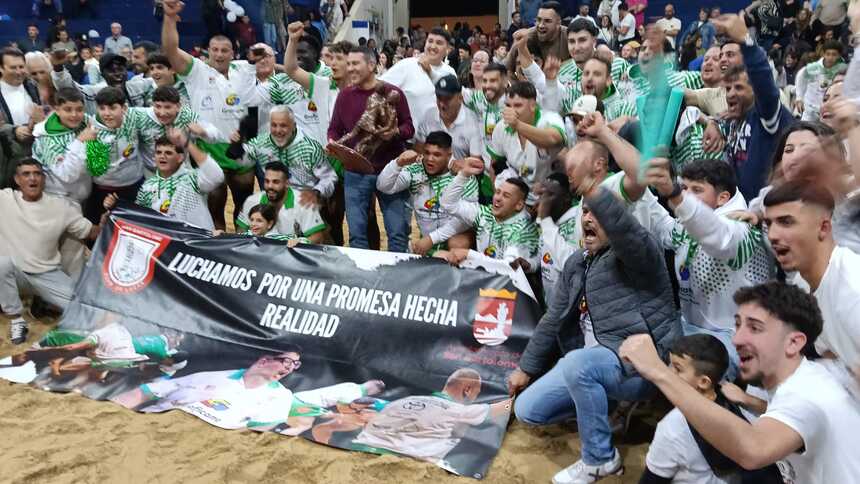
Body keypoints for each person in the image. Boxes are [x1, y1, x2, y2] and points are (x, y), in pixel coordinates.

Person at [507, 175, 681, 484]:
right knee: (528, 410)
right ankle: (610, 406)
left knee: (579, 366)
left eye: (597, 213)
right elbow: (553, 318)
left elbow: (628, 233)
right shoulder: (577, 262)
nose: (589, 218)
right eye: (585, 211)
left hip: (642, 366)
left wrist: (593, 189)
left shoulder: (640, 253)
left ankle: (600, 459)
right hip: (592, 364)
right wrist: (525, 367)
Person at [620, 281, 860, 484]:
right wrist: (748, 400)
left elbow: (753, 450)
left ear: (794, 342)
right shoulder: (805, 379)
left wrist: (658, 371)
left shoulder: (806, 394)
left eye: (755, 328)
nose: (737, 338)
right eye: (737, 325)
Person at [641, 157, 776, 381]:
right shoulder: (688, 220)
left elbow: (716, 236)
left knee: (690, 374)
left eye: (697, 190)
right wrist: (639, 189)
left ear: (723, 198)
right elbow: (663, 228)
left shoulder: (741, 227)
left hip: (733, 337)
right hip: (688, 325)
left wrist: (675, 193)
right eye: (685, 188)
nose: (687, 196)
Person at [161, 0, 258, 231]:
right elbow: (171, 51)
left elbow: (271, 73)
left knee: (243, 212)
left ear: (233, 52)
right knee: (215, 211)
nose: (219, 54)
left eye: (224, 50)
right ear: (208, 52)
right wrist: (169, 18)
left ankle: (241, 253)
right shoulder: (196, 71)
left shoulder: (245, 69)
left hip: (242, 150)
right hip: (208, 150)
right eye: (214, 50)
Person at [763, 181, 860, 399]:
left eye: (786, 222)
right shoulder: (801, 283)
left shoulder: (853, 287)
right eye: (769, 224)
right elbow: (830, 353)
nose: (773, 235)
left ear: (824, 228)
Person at [1, 159, 104, 343]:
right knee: (1, 264)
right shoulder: (5, 199)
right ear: (17, 180)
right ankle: (17, 319)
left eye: (37, 173)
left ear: (44, 179)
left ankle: (42, 304)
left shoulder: (61, 207)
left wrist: (105, 223)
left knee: (82, 310)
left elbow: (91, 233)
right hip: (14, 275)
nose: (32, 178)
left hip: (47, 274)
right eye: (26, 174)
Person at [327, 45, 413, 252]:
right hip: (355, 171)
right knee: (356, 235)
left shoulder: (394, 93)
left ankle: (397, 281)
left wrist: (395, 133)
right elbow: (334, 129)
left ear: (372, 65)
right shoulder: (344, 96)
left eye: (355, 63)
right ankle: (362, 281)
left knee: (398, 233)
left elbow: (409, 127)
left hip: (390, 171)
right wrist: (332, 143)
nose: (350, 69)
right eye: (348, 64)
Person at [708, 14, 794, 201]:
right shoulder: (734, 121)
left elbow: (764, 84)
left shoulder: (766, 117)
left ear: (755, 91)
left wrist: (746, 41)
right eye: (728, 88)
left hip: (768, 213)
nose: (730, 93)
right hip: (742, 214)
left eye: (739, 87)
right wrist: (713, 122)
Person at [111, 347, 304, 431]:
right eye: (287, 361)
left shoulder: (280, 397)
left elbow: (259, 432)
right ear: (264, 361)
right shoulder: (210, 376)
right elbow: (144, 392)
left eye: (295, 365)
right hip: (148, 425)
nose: (290, 368)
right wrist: (109, 413)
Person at [352, 368, 511, 465]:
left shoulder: (405, 400)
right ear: (467, 390)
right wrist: (519, 397)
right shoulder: (457, 410)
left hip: (358, 449)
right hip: (398, 459)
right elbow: (502, 408)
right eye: (478, 392)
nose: (477, 397)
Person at [640, 334, 742, 484]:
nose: (668, 373)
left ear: (703, 381)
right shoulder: (731, 401)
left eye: (677, 368)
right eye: (670, 364)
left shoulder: (672, 429)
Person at [49, 86, 147, 223]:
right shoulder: (92, 130)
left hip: (135, 186)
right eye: (102, 108)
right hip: (104, 190)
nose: (106, 113)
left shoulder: (135, 117)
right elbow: (97, 168)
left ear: (124, 108)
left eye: (112, 108)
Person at [377, 132, 476, 256]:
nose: (430, 159)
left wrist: (431, 238)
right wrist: (398, 163)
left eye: (437, 155)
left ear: (449, 155)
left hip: (454, 236)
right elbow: (383, 186)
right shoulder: (416, 170)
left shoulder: (463, 176)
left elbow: (466, 220)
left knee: (457, 243)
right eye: (427, 153)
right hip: (426, 239)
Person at [438, 158, 539, 272]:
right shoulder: (486, 214)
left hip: (508, 284)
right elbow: (447, 204)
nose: (498, 198)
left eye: (506, 196)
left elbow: (509, 268)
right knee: (441, 256)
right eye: (498, 192)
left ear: (519, 205)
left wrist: (469, 254)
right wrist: (464, 175)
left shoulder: (523, 229)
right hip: (483, 275)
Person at [487, 81, 566, 206]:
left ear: (533, 105)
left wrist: (518, 125)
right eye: (508, 105)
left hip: (550, 196)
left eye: (518, 105)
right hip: (517, 198)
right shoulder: (501, 127)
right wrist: (499, 197)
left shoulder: (549, 118)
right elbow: (494, 166)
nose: (512, 111)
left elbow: (553, 139)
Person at [243, 105, 336, 208]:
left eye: (283, 126)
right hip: (275, 203)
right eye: (274, 125)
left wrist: (316, 192)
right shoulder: (261, 143)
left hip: (304, 205)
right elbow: (242, 155)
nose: (278, 130)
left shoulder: (310, 148)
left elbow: (329, 177)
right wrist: (236, 145)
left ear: (293, 126)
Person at [130, 132, 225, 231]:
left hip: (198, 242)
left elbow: (217, 176)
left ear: (180, 158)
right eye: (158, 152)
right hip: (169, 243)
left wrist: (187, 143)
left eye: (168, 153)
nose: (162, 156)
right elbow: (139, 218)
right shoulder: (147, 187)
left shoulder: (192, 178)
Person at [380, 27, 456, 137]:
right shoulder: (407, 64)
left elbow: (451, 101)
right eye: (430, 41)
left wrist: (429, 71)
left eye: (439, 43)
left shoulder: (450, 72)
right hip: (408, 138)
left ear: (448, 48)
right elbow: (379, 87)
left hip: (436, 141)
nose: (433, 46)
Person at [136, 86, 219, 175]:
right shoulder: (141, 116)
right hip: (151, 174)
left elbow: (215, 135)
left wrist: (203, 132)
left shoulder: (186, 116)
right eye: (158, 106)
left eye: (167, 107)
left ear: (178, 106)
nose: (162, 112)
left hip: (182, 173)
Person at [236, 162, 326, 243]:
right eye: (267, 181)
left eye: (276, 182)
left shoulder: (303, 203)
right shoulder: (252, 201)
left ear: (287, 183)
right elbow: (241, 231)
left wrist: (300, 242)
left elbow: (317, 237)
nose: (270, 186)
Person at [49, 50, 156, 114]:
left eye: (120, 69)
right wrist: (58, 68)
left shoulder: (139, 87)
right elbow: (68, 89)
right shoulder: (94, 92)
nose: (117, 74)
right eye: (111, 70)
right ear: (102, 74)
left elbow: (162, 80)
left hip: (131, 146)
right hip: (99, 144)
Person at [1, 47, 43, 188]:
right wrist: (14, 130)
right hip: (5, 157)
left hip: (32, 154)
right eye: (13, 67)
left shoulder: (32, 85)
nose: (19, 72)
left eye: (21, 66)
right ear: (1, 68)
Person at [414, 75, 482, 161]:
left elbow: (475, 163)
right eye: (439, 98)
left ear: (460, 98)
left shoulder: (473, 122)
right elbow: (418, 149)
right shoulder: (428, 115)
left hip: (460, 173)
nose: (442, 104)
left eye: (447, 99)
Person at [535, 172, 578, 305]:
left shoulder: (576, 221)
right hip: (550, 306)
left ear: (566, 198)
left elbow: (570, 264)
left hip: (570, 311)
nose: (543, 201)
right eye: (541, 194)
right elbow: (546, 256)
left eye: (550, 195)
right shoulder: (548, 221)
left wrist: (545, 219)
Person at [462, 62, 508, 171]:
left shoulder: (514, 104)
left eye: (493, 81)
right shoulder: (480, 99)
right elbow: (457, 92)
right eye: (485, 81)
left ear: (505, 82)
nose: (487, 85)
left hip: (509, 173)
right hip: (486, 171)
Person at [505, 1, 570, 74]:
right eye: (538, 20)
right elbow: (507, 69)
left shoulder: (569, 37)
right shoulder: (527, 37)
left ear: (558, 23)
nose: (541, 25)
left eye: (547, 21)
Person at [794, 40, 846, 122]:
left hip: (828, 110)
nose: (830, 57)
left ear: (839, 55)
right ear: (823, 54)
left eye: (834, 54)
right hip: (810, 109)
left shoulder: (842, 69)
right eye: (828, 54)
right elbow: (800, 79)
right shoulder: (813, 68)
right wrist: (799, 98)